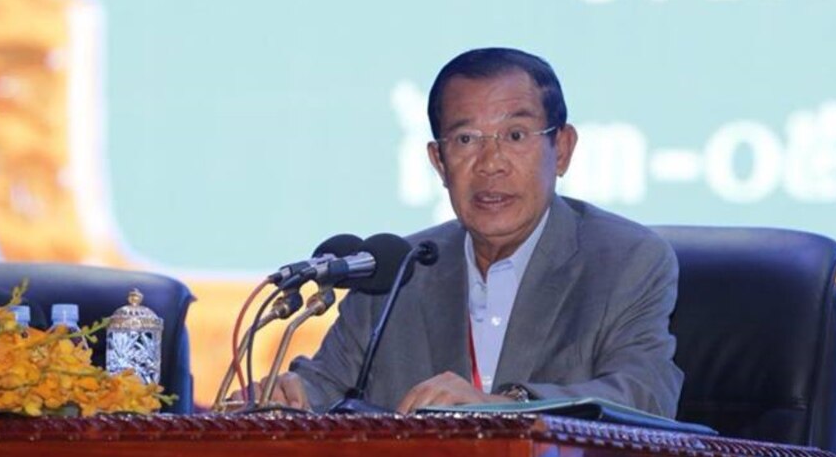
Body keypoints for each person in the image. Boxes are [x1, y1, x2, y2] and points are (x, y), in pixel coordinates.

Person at [272, 47, 684, 416]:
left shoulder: (628, 260)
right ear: (438, 161)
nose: (490, 163)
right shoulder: (397, 270)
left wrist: (506, 407)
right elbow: (325, 386)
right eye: (466, 139)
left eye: (515, 136)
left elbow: (645, 395)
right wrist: (289, 396)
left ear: (561, 149)